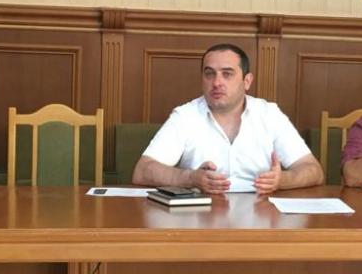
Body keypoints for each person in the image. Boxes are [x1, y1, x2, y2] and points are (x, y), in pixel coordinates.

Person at [132, 43, 323, 194]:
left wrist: (282, 181)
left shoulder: (269, 114)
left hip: (261, 215)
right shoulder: (185, 116)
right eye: (209, 74)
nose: (217, 82)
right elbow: (143, 171)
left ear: (247, 81)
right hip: (200, 217)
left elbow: (313, 170)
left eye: (227, 74)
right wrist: (191, 178)